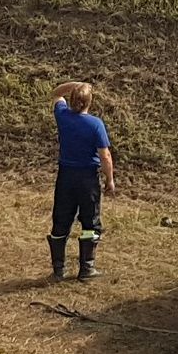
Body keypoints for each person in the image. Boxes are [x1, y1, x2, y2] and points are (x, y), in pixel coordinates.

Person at [47, 80, 116, 281]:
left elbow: (55, 93)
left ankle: (58, 269)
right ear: (89, 102)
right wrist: (109, 180)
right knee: (90, 221)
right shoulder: (96, 124)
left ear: (72, 100)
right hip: (87, 179)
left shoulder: (62, 116)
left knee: (61, 220)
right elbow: (105, 156)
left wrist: (74, 85)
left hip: (66, 176)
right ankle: (86, 269)